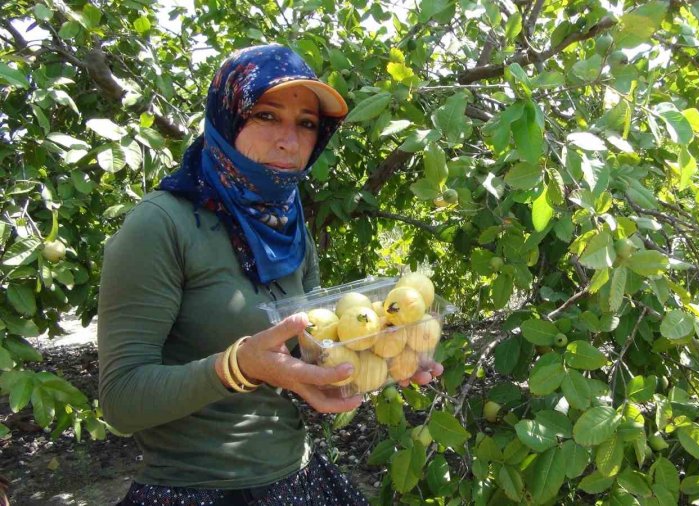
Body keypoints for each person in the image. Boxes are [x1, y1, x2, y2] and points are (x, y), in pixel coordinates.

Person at [98, 44, 443, 505]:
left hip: (297, 477)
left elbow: (309, 345)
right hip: (197, 490)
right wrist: (237, 366)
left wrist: (383, 351)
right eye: (266, 116)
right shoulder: (161, 225)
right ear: (228, 116)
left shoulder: (283, 217)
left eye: (306, 124)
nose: (290, 141)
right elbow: (120, 402)